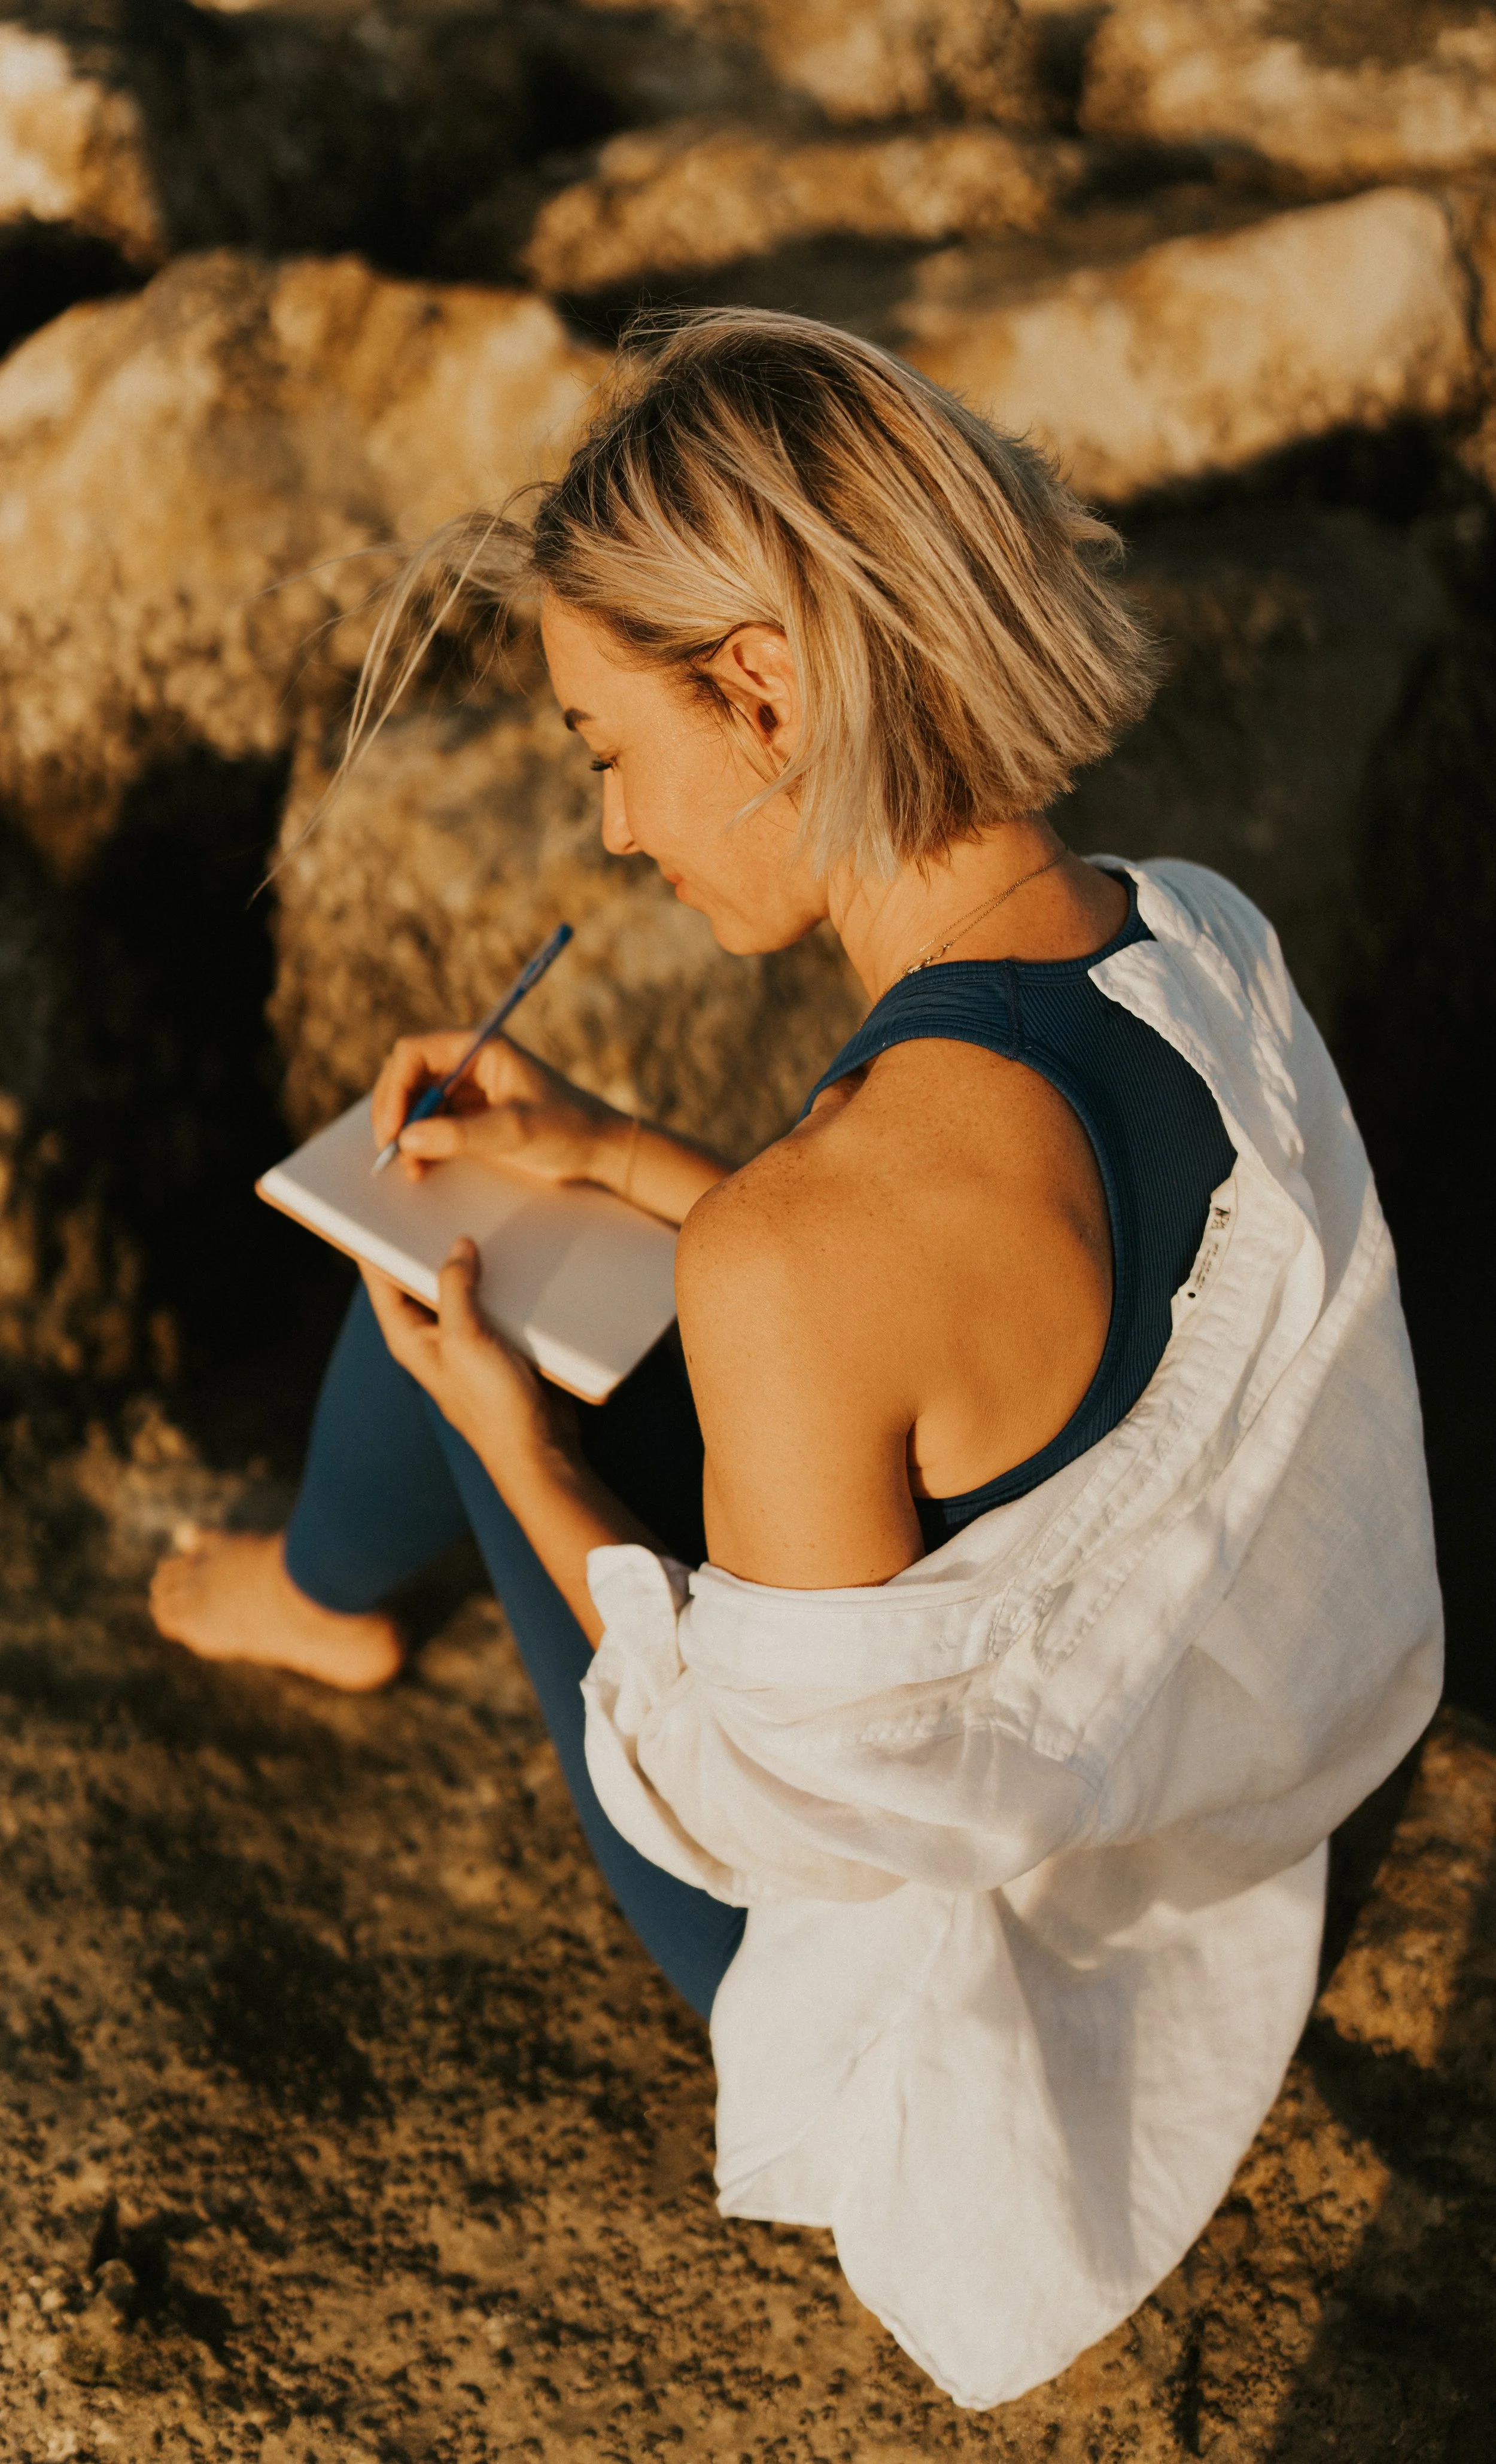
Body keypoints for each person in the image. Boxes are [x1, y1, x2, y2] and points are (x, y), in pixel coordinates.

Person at [151, 309, 1441, 2408]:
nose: (614, 829)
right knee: (518, 1225)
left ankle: (320, 1591)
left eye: (605, 745)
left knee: (446, 1323)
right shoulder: (1186, 932)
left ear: (760, 690)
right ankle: (332, 1561)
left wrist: (519, 1441)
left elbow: (770, 1808)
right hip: (1208, 1816)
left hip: (968, 1990)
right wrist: (607, 1151)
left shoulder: (803, 1243)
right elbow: (979, 1314)